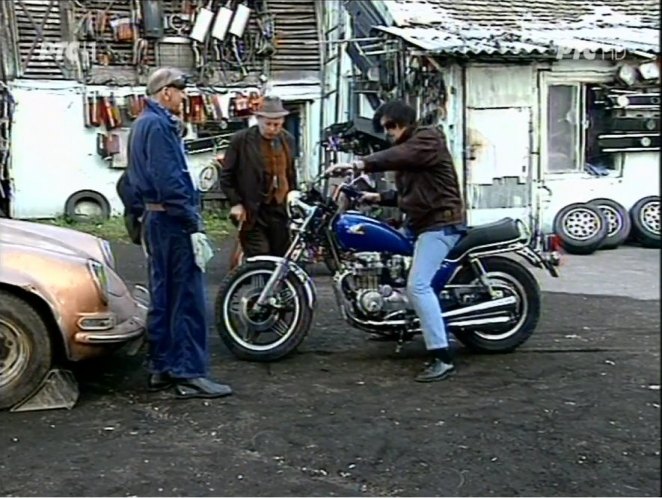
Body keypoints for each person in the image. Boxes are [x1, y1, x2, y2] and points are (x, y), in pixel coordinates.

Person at [325, 100, 466, 383]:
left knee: (418, 285)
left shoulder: (427, 140)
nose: (388, 132)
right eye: (384, 128)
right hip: (421, 222)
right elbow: (415, 194)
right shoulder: (412, 152)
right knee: (391, 264)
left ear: (405, 121)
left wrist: (358, 164)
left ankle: (442, 356)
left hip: (440, 224)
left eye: (391, 126)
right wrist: (377, 198)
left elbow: (399, 155)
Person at [126, 67, 232, 399]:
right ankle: (188, 373)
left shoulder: (143, 124)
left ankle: (162, 367)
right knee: (186, 298)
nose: (185, 97)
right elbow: (169, 181)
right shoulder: (158, 126)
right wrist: (192, 221)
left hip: (156, 220)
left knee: (164, 296)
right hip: (171, 221)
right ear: (165, 92)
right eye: (180, 91)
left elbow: (132, 181)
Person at [219, 96, 297, 257]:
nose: (272, 129)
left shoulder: (287, 140)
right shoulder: (241, 140)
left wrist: (292, 199)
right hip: (253, 209)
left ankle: (276, 283)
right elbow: (227, 175)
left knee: (280, 257)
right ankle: (259, 282)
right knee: (259, 255)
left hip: (279, 209)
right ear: (258, 118)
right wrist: (236, 203)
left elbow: (290, 173)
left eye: (277, 124)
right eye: (268, 124)